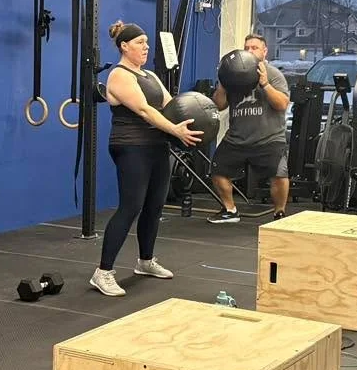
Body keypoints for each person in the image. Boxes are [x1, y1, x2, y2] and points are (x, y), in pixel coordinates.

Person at [89, 20, 202, 297]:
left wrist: (194, 116)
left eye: (147, 42)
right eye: (140, 42)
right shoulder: (119, 75)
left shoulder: (150, 75)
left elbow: (169, 105)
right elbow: (143, 110)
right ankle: (102, 273)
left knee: (154, 206)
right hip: (131, 147)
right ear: (124, 46)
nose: (146, 47)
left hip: (156, 146)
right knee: (131, 207)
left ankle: (145, 261)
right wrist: (174, 129)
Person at [209, 34, 292, 222]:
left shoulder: (273, 74)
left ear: (264, 51)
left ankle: (279, 213)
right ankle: (230, 210)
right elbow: (219, 105)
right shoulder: (233, 76)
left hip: (268, 138)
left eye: (255, 48)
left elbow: (282, 104)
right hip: (237, 138)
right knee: (217, 171)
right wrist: (223, 85)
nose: (250, 51)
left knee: (279, 175)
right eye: (247, 47)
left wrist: (265, 84)